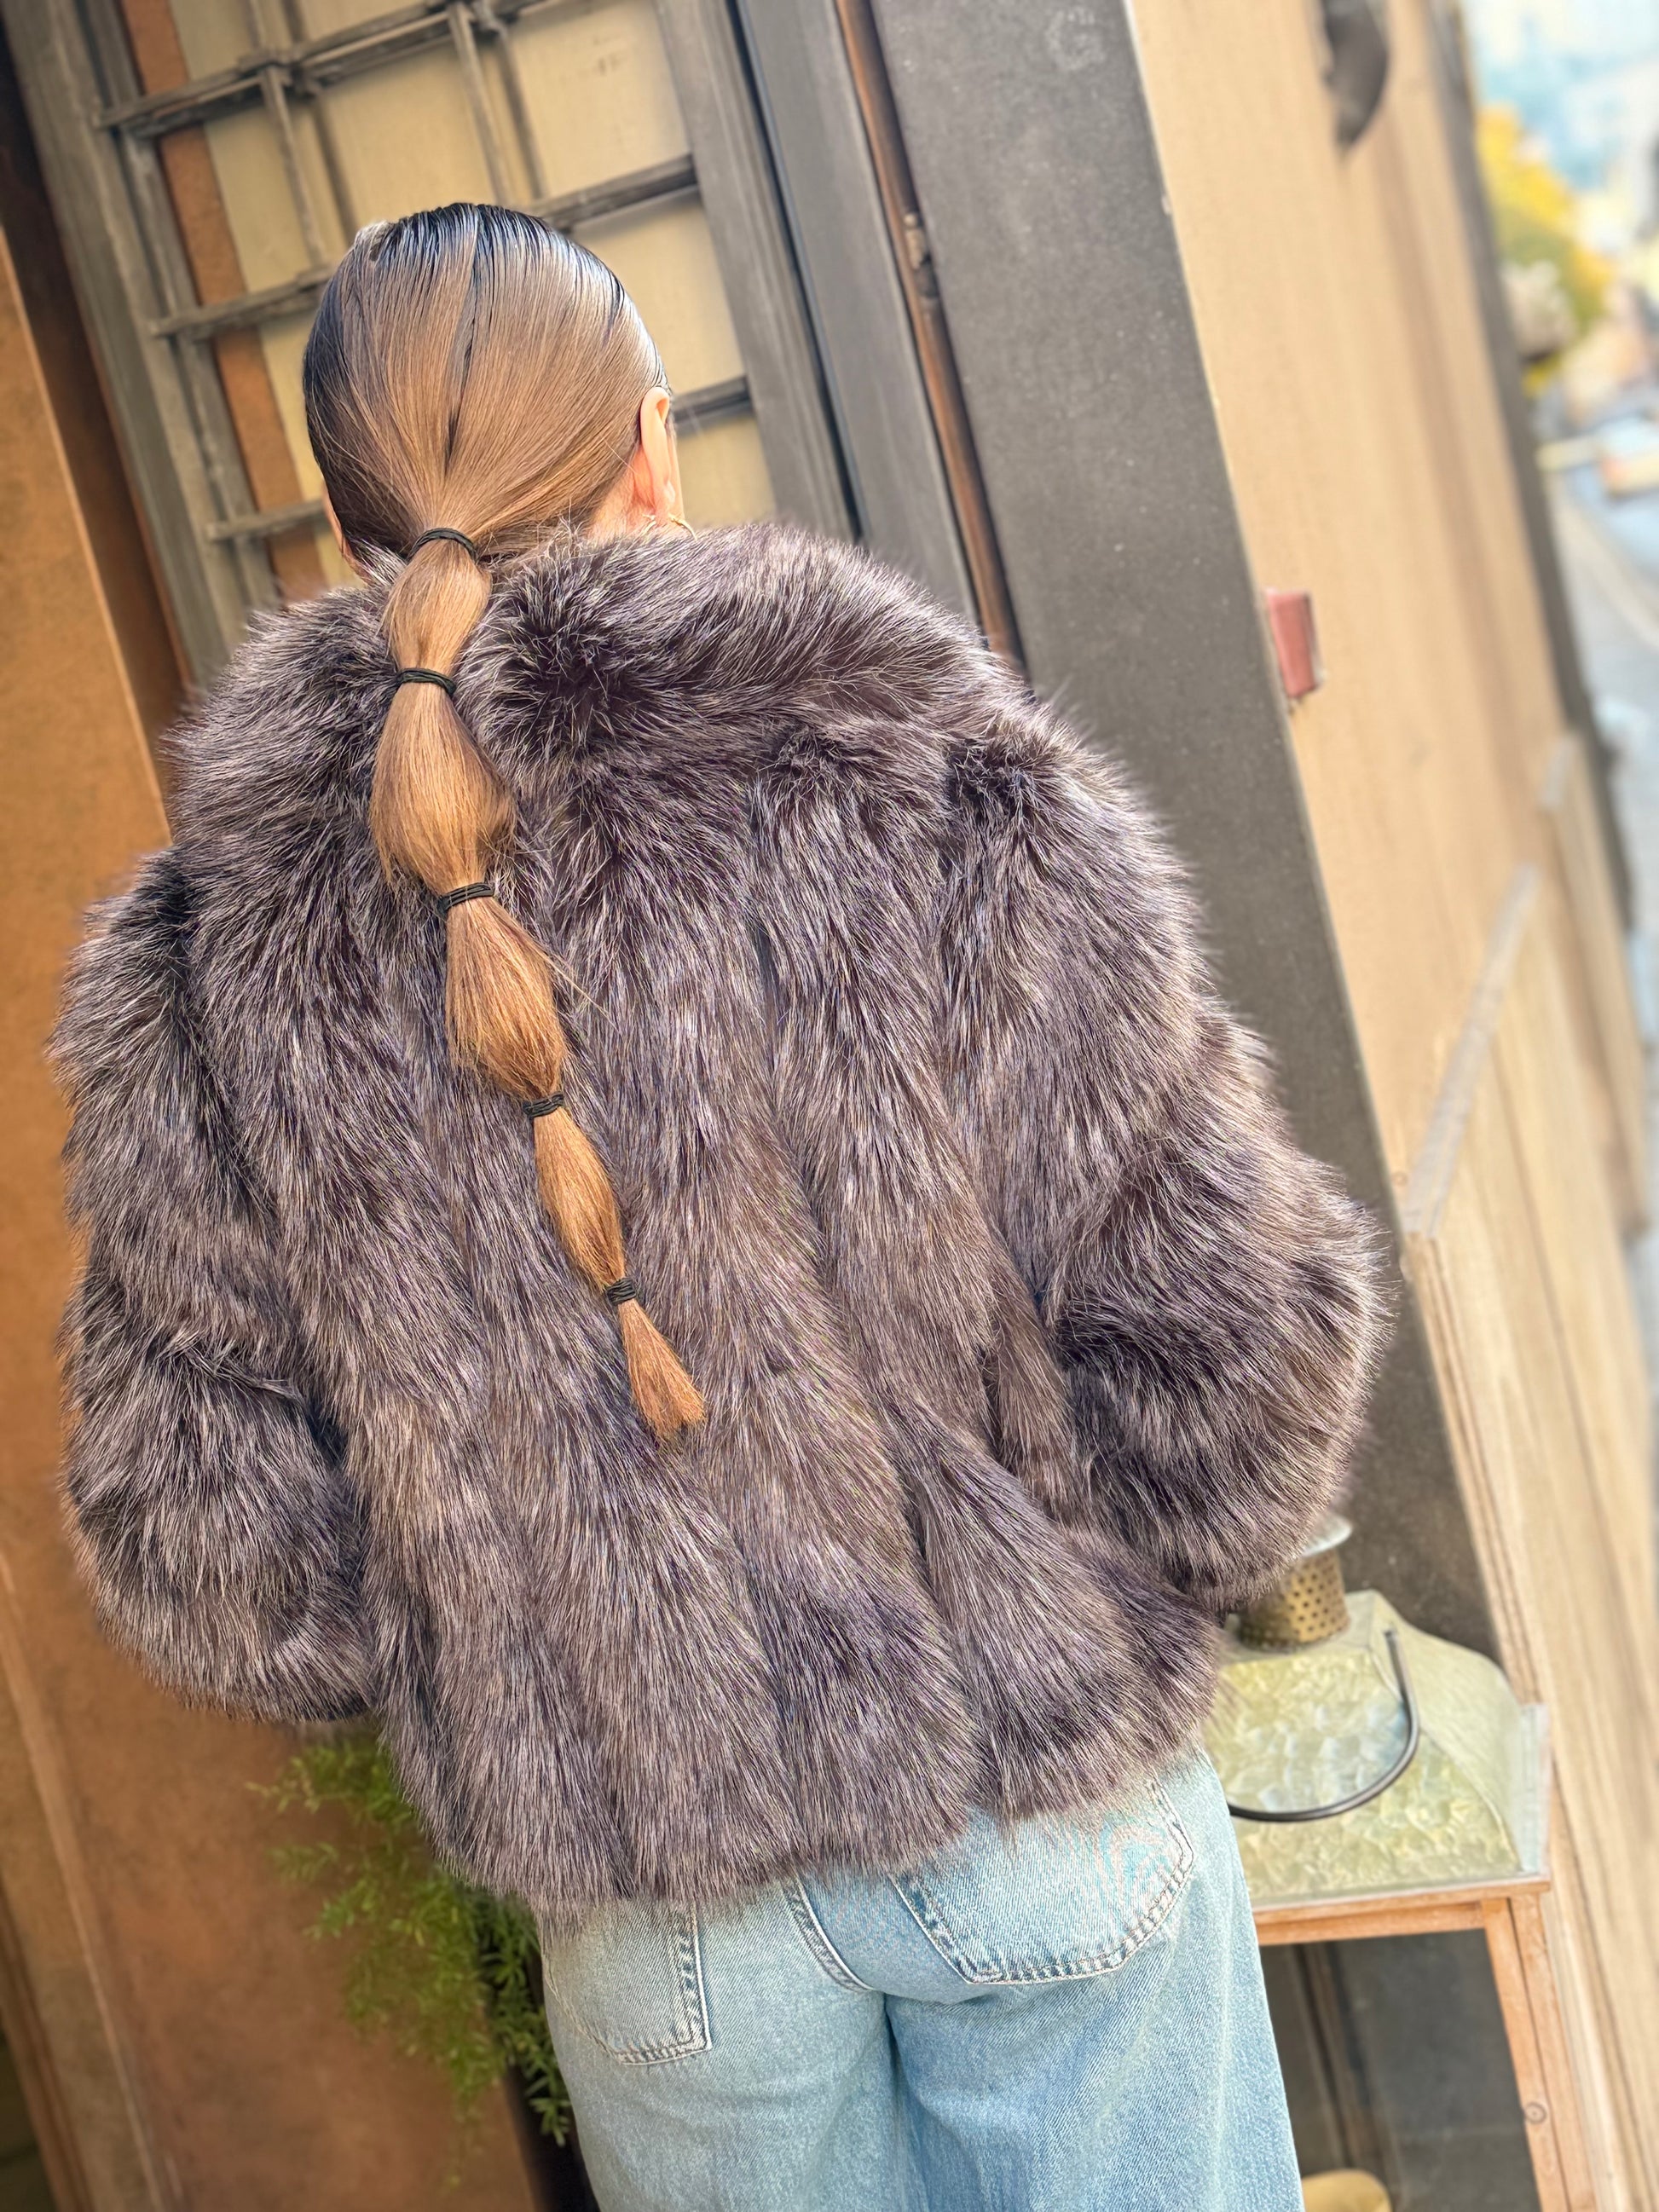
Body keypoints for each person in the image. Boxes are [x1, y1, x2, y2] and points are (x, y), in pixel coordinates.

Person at [55, 202, 1381, 2212]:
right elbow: (1227, 1331)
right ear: (650, 454)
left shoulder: (205, 951)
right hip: (1031, 1794)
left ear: (343, 531)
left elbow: (211, 1545)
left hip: (664, 1932)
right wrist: (1139, 1568)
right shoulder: (908, 760)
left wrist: (502, 1653)